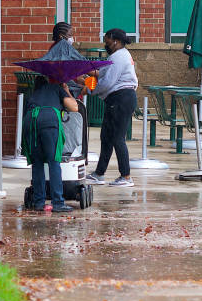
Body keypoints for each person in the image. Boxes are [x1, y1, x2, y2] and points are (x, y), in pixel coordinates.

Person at [86, 28, 138, 187]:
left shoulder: (118, 57)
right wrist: (88, 75)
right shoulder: (120, 55)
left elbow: (107, 82)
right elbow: (103, 74)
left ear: (115, 40)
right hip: (118, 98)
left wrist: (88, 89)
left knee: (117, 138)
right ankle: (99, 173)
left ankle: (126, 176)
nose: (105, 43)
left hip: (120, 99)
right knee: (106, 137)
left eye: (107, 40)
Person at [22, 75, 78, 212]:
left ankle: (39, 202)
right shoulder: (56, 88)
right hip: (49, 120)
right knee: (54, 162)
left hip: (31, 120)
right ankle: (58, 203)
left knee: (37, 162)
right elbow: (74, 107)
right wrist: (66, 89)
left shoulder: (33, 94)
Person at [40, 22, 85, 98]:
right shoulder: (61, 49)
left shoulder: (56, 47)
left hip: (61, 87)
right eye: (70, 35)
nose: (72, 39)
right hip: (64, 89)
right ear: (61, 36)